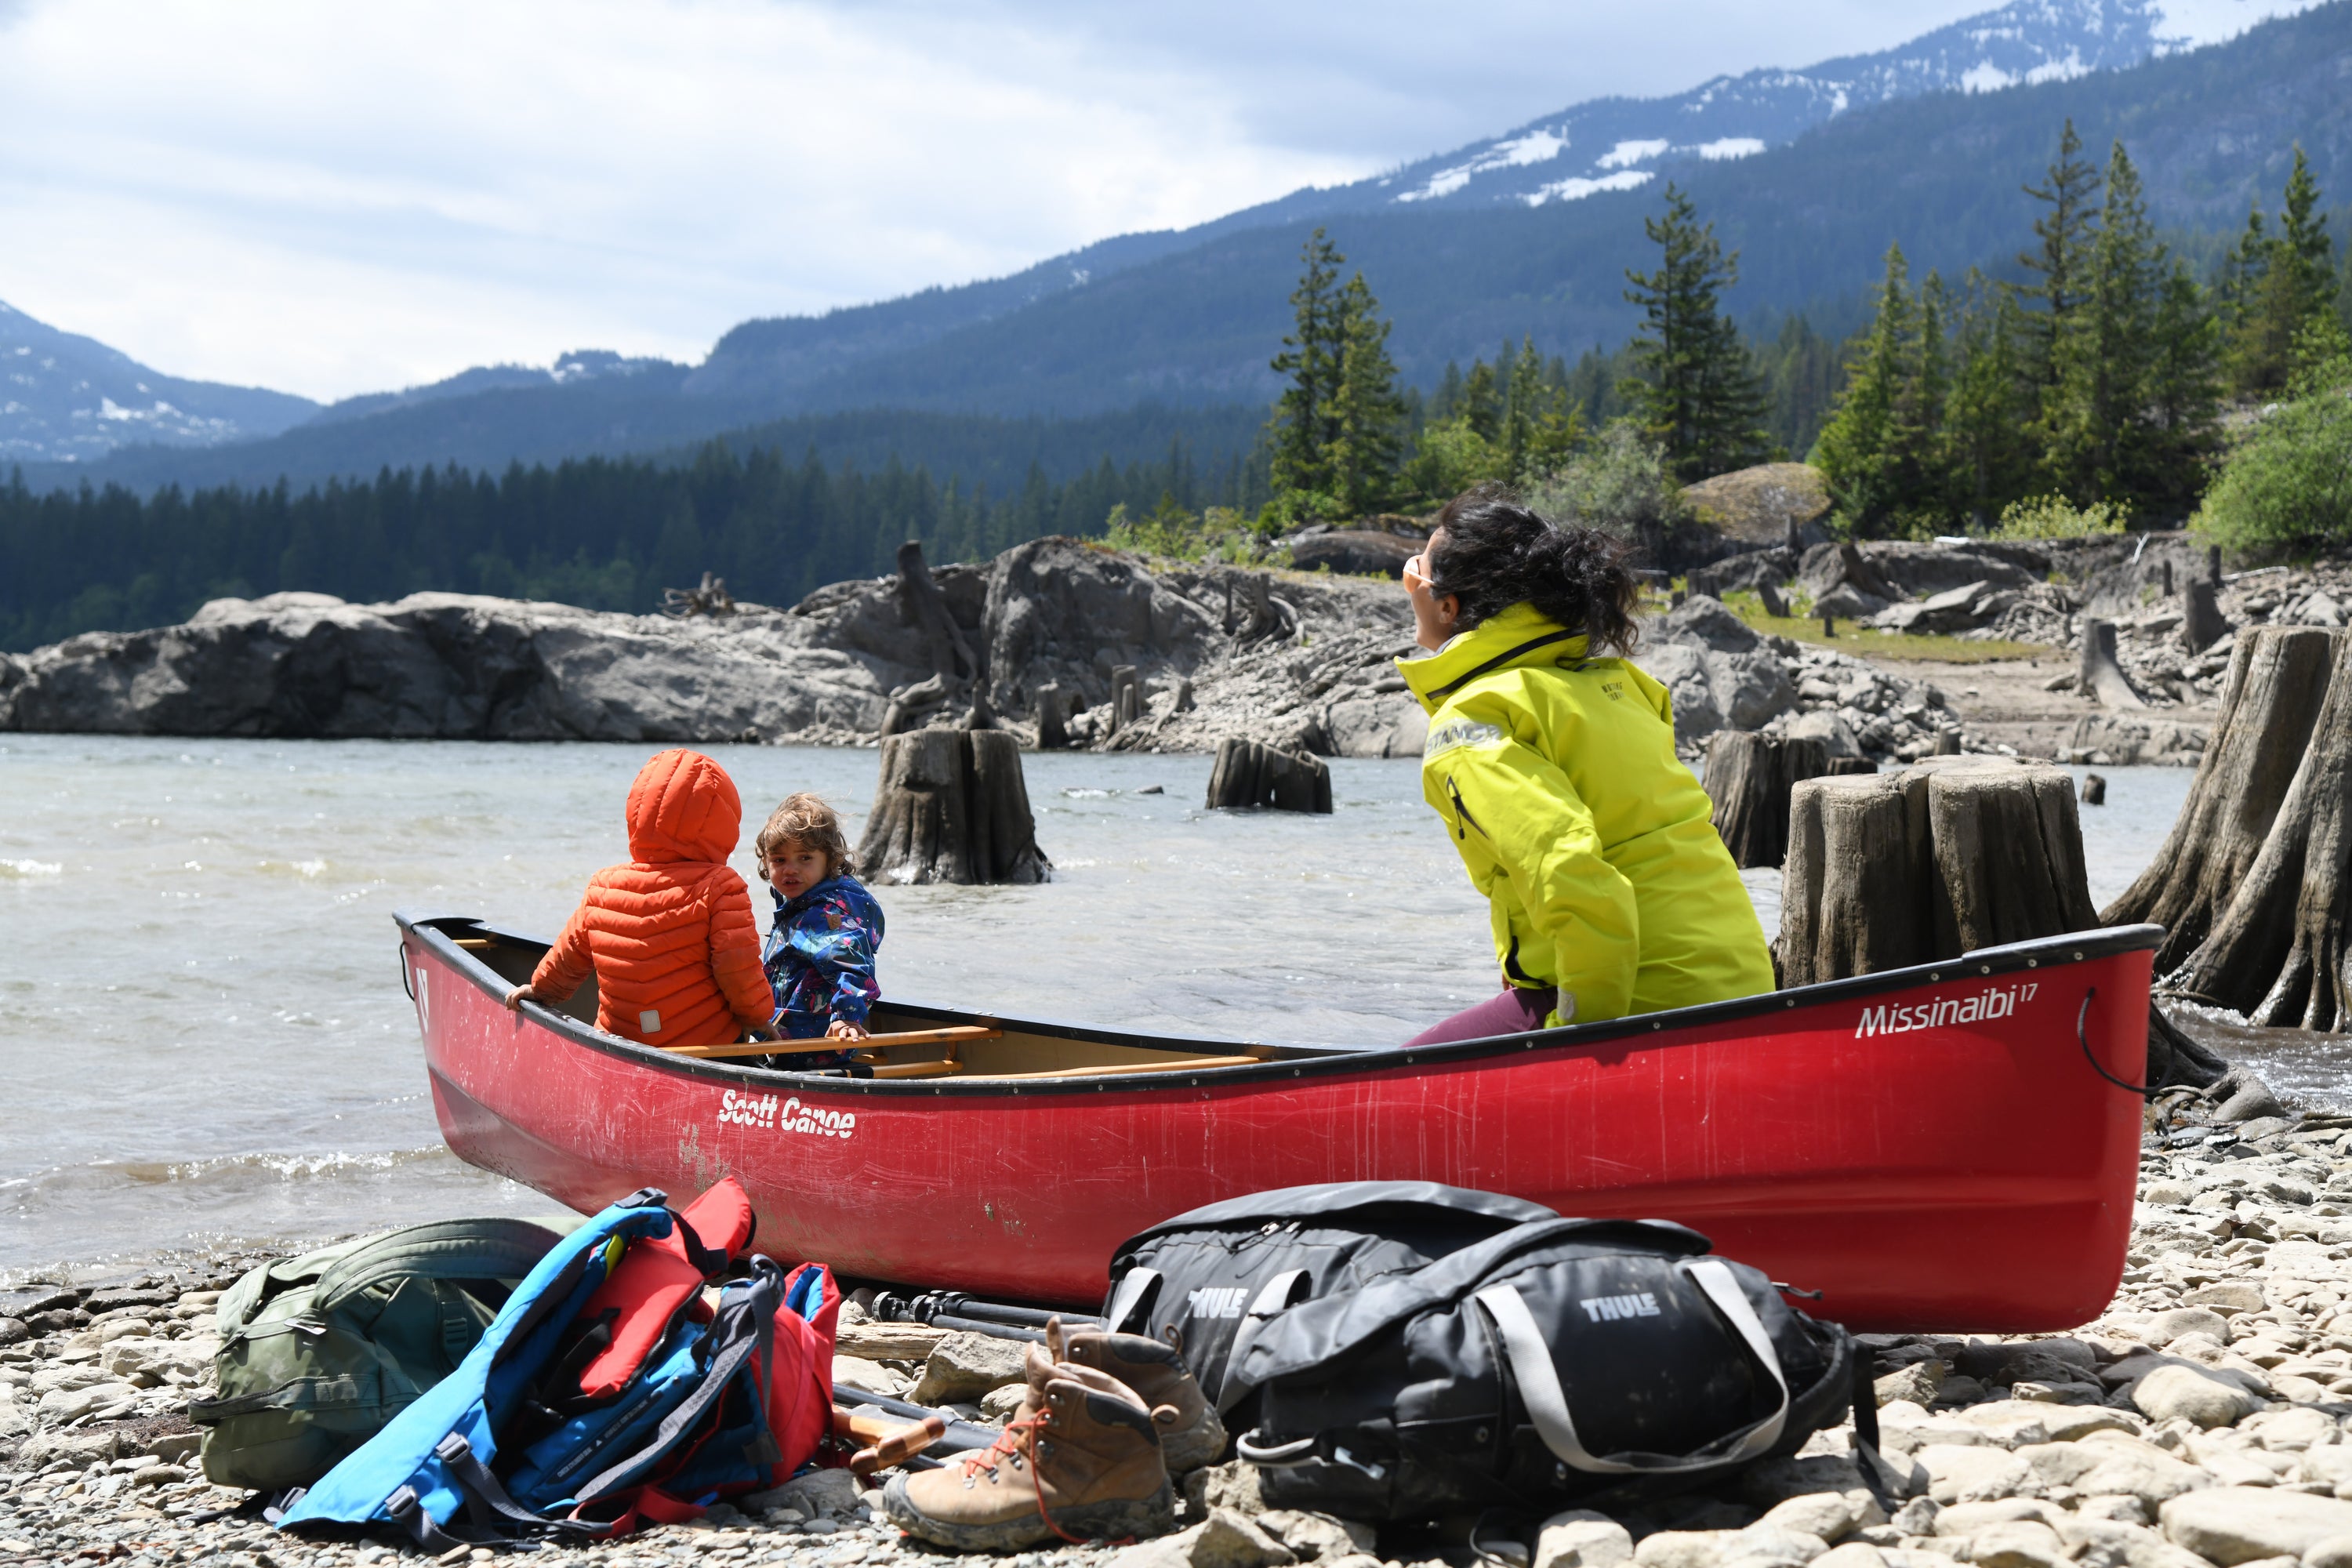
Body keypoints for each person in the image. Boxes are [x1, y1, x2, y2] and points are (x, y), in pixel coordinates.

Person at [1397, 485, 1774, 1044]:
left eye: (1415, 576)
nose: (1409, 590)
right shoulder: (1624, 687)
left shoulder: (1475, 717)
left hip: (1642, 1002)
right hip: (1743, 987)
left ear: (1447, 605)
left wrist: (1579, 1035)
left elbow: (1571, 877)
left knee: (1407, 1086)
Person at [503, 749, 778, 1049]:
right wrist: (758, 1016)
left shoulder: (603, 886)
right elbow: (737, 968)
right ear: (722, 821)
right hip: (705, 1048)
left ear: (637, 812)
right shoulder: (721, 886)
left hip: (617, 1044)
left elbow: (569, 956)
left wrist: (542, 990)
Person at [754, 793, 885, 1068]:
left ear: (830, 860)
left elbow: (853, 964)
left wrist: (847, 1017)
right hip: (794, 1038)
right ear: (766, 862)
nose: (791, 870)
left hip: (815, 1045)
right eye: (779, 860)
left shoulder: (824, 914)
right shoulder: (801, 906)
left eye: (805, 858)